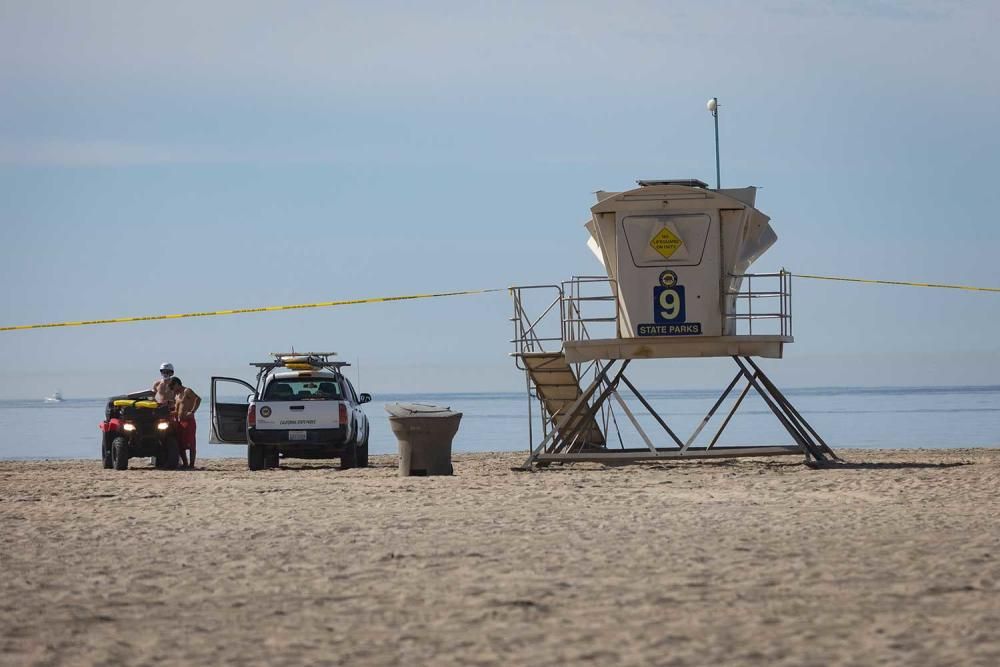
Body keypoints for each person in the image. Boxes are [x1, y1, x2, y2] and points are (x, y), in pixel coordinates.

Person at [170, 377, 201, 469]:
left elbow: (198, 399)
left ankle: (192, 465)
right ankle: (185, 463)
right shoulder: (176, 395)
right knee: (180, 443)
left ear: (176, 384)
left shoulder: (187, 391)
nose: (172, 389)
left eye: (172, 386)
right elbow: (176, 410)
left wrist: (192, 411)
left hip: (189, 421)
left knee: (191, 443)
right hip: (179, 421)